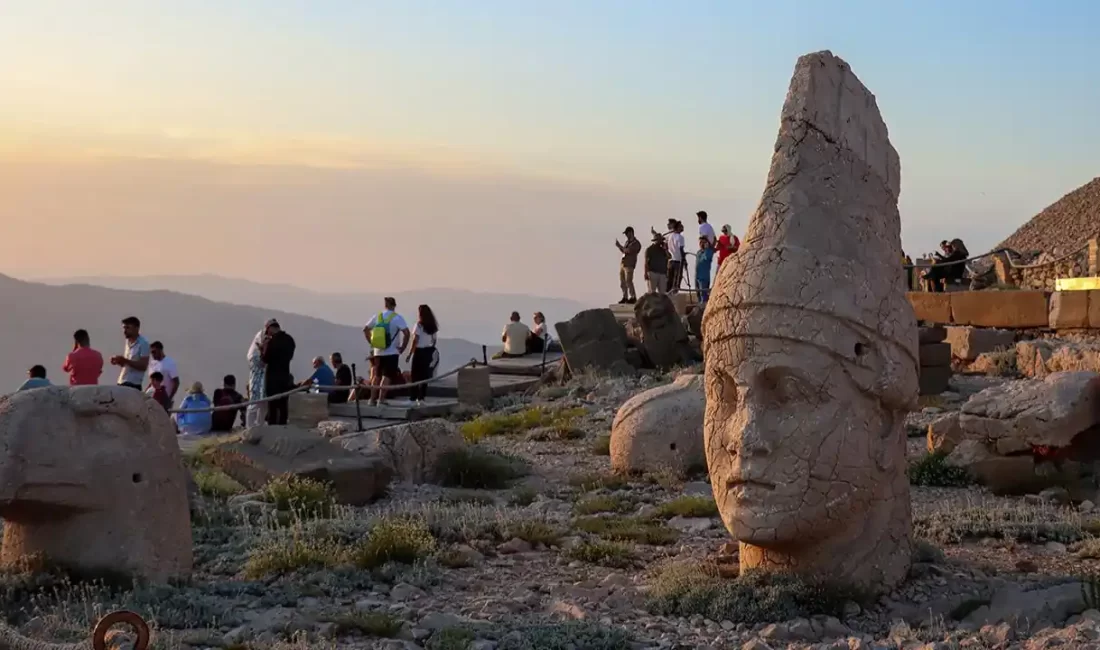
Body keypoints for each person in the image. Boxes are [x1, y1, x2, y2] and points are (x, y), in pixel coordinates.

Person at [363, 297, 410, 406]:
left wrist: (371, 341)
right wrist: (403, 347)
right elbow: (407, 333)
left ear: (385, 305)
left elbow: (365, 329)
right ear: (394, 305)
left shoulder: (377, 316)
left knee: (377, 375)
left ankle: (372, 399)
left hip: (378, 352)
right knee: (387, 376)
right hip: (392, 351)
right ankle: (381, 399)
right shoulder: (397, 318)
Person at [260, 319, 296, 425]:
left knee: (272, 404)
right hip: (285, 375)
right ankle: (283, 425)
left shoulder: (271, 342)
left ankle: (272, 426)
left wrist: (263, 347)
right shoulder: (290, 340)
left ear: (270, 328)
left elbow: (265, 359)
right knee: (283, 403)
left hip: (272, 378)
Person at [406, 304, 439, 404]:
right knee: (425, 375)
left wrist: (410, 353)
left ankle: (413, 397)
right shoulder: (433, 326)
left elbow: (415, 340)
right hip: (429, 350)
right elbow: (434, 340)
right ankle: (422, 397)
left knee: (415, 375)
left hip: (419, 351)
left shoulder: (419, 325)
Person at [110, 316, 149, 390]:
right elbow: (128, 364)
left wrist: (125, 360)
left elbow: (143, 366)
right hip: (122, 381)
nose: (124, 331)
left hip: (133, 384)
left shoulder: (143, 343)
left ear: (136, 328)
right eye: (124, 328)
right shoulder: (127, 342)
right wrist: (119, 361)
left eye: (127, 328)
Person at [245, 327, 267, 427]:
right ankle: (250, 426)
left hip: (263, 379)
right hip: (257, 379)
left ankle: (259, 424)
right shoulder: (254, 355)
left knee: (263, 403)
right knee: (254, 402)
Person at [615, 227, 642, 304]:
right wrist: (620, 248)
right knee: (622, 281)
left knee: (628, 281)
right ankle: (625, 297)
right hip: (623, 263)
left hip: (629, 265)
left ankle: (633, 296)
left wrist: (619, 246)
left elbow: (628, 251)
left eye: (627, 233)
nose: (626, 235)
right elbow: (624, 251)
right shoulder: (627, 242)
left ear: (631, 232)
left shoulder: (636, 243)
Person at [148, 341, 180, 405]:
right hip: (153, 399)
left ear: (160, 350)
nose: (152, 354)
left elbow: (176, 382)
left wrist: (169, 398)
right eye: (151, 353)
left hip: (165, 399)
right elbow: (151, 382)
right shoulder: (152, 364)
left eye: (154, 352)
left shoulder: (170, 362)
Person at [666, 220, 686, 293]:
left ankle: (667, 294)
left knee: (669, 280)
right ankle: (674, 295)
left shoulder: (670, 236)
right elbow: (681, 249)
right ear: (677, 228)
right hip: (678, 261)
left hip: (671, 261)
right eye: (681, 226)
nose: (682, 227)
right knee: (677, 280)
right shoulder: (680, 237)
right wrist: (684, 260)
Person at [696, 236, 715, 303]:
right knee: (698, 293)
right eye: (700, 242)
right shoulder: (699, 252)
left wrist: (707, 248)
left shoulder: (709, 252)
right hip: (697, 276)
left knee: (703, 294)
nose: (701, 244)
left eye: (703, 242)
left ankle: (704, 305)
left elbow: (707, 258)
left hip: (704, 277)